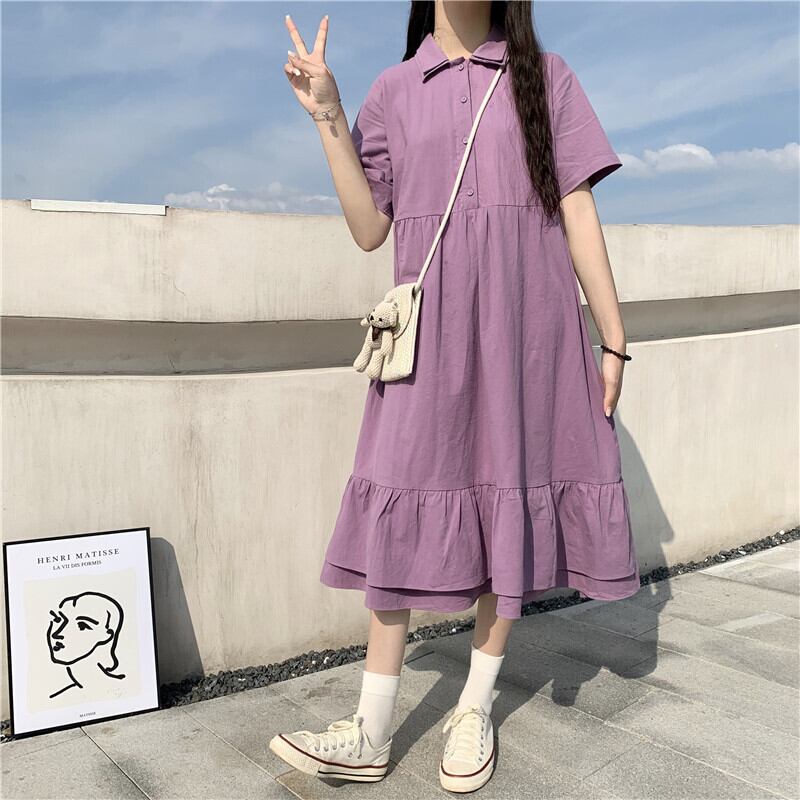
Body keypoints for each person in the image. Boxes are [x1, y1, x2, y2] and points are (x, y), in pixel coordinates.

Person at [270, 1, 640, 793]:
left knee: (512, 495)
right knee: (401, 493)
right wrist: (328, 114)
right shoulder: (393, 90)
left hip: (528, 329)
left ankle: (474, 704)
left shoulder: (545, 77)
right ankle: (371, 727)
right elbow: (369, 228)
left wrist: (612, 337)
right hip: (429, 334)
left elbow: (576, 203)